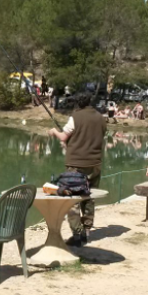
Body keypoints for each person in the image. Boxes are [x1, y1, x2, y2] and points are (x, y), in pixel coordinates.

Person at [48, 92, 106, 247]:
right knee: (89, 197)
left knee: (71, 200)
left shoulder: (76, 117)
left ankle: (77, 234)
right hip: (95, 164)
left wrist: (53, 131)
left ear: (77, 104)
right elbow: (92, 138)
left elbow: (63, 137)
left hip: (76, 165)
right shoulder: (101, 118)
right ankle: (87, 230)